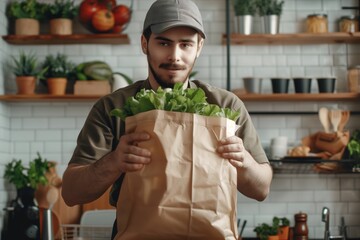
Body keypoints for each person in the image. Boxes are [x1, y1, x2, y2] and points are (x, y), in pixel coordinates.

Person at [62, 0, 273, 238]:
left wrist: (243, 160)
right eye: (164, 43)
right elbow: (71, 193)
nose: (175, 56)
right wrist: (114, 162)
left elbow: (262, 189)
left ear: (199, 47)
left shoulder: (226, 105)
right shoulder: (113, 107)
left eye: (186, 45)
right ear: (145, 43)